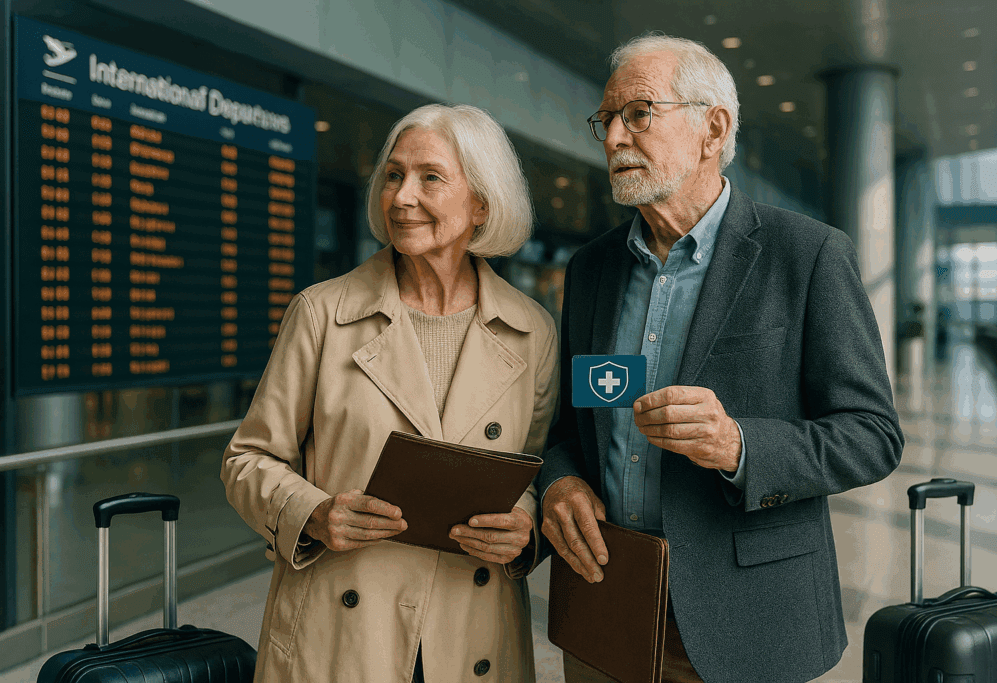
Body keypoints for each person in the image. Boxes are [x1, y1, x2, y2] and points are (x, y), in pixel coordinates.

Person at [537, 34, 904, 683]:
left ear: (713, 129)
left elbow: (872, 436)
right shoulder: (591, 268)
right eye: (606, 119)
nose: (614, 137)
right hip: (608, 607)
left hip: (747, 620)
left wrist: (739, 444)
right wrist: (560, 479)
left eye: (639, 113)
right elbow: (572, 423)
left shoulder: (808, 255)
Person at [221, 103, 558, 683]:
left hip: (473, 631)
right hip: (343, 635)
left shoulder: (532, 331)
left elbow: (538, 469)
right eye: (394, 176)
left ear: (482, 201)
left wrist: (524, 521)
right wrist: (315, 512)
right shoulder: (320, 313)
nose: (402, 197)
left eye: (430, 177)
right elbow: (246, 461)